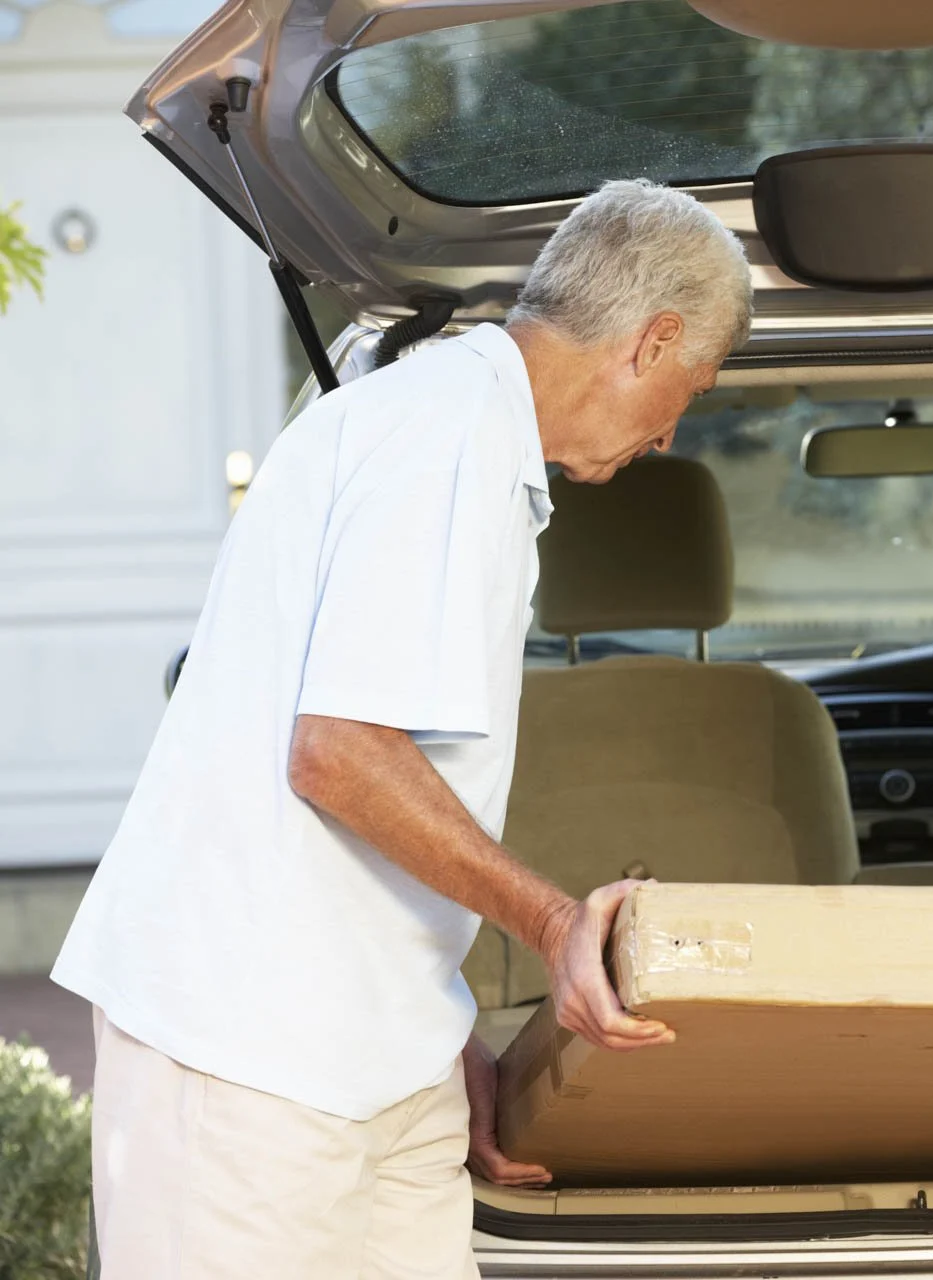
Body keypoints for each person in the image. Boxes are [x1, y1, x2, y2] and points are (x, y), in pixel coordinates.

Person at [52, 178, 752, 1278]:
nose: (672, 436)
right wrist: (558, 921)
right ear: (652, 338)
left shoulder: (468, 439)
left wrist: (436, 1035)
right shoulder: (447, 436)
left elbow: (380, 771)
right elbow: (340, 751)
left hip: (370, 1063)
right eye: (692, 387)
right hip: (247, 1059)